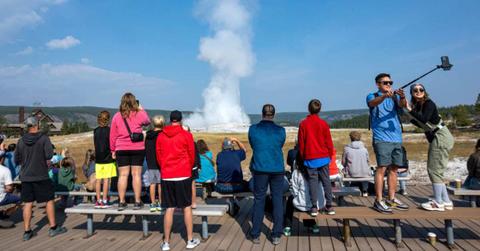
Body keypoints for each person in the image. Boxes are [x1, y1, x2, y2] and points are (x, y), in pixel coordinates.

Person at [14, 117, 67, 240]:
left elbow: (16, 159)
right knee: (49, 200)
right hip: (41, 175)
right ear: (37, 125)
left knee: (27, 203)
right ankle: (53, 228)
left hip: (26, 176)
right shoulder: (43, 138)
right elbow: (49, 155)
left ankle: (27, 231)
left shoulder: (21, 141)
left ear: (27, 126)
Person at [406, 83, 454, 211]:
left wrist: (409, 110)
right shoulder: (420, 105)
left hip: (440, 137)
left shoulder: (428, 103)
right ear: (411, 93)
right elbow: (421, 122)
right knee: (438, 171)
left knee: (433, 170)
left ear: (424, 91)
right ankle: (446, 201)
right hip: (441, 137)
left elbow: (424, 118)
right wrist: (405, 109)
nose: (418, 91)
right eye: (415, 90)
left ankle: (438, 202)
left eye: (421, 89)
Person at [156, 110, 200, 250]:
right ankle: (190, 240)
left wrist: (164, 167)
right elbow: (192, 156)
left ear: (170, 120)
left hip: (167, 175)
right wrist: (186, 167)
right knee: (187, 207)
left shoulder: (161, 136)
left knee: (169, 208)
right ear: (180, 120)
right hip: (183, 174)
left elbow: (159, 156)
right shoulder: (186, 135)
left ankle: (166, 243)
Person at [367, 73, 409, 213]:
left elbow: (403, 106)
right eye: (385, 83)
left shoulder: (395, 96)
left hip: (396, 138)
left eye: (390, 82)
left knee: (394, 169)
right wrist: (385, 96)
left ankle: (391, 199)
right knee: (382, 168)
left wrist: (402, 96)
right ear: (378, 84)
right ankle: (378, 200)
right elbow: (372, 103)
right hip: (381, 138)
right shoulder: (372, 95)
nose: (389, 85)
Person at [248, 104, 286, 246]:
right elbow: (280, 145)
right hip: (277, 168)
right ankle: (276, 234)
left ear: (262, 114)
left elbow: (253, 145)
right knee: (277, 200)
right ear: (274, 115)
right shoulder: (281, 131)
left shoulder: (253, 129)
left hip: (260, 168)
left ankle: (255, 234)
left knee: (259, 200)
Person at [110, 93, 151, 211]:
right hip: (137, 148)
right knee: (136, 175)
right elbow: (147, 121)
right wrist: (141, 108)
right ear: (134, 102)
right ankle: (137, 201)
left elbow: (113, 135)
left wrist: (113, 149)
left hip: (121, 148)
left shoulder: (117, 116)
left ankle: (122, 201)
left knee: (122, 175)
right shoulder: (138, 114)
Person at [298, 99, 335, 216]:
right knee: (326, 181)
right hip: (323, 157)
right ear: (320, 109)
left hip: (310, 158)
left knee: (312, 182)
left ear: (309, 109)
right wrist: (329, 155)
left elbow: (301, 143)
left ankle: (314, 207)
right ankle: (329, 205)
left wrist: (304, 156)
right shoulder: (323, 124)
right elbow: (329, 142)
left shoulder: (303, 124)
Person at [94, 111, 118, 209]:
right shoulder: (110, 130)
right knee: (107, 180)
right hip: (108, 157)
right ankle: (104, 200)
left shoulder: (95, 130)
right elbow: (112, 143)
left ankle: (98, 200)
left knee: (98, 180)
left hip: (98, 158)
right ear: (108, 119)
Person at [342, 131, 371, 196]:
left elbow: (343, 162)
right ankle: (365, 191)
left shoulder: (346, 149)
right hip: (364, 172)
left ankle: (348, 190)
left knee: (345, 171)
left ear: (351, 138)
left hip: (351, 172)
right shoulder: (364, 149)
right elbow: (368, 161)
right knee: (365, 171)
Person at [144, 115, 164, 212]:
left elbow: (146, 149)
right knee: (160, 184)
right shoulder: (163, 135)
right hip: (161, 163)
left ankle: (152, 203)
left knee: (152, 184)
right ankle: (160, 202)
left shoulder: (148, 136)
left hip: (151, 162)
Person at [0, 163, 21, 228]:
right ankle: (6, 214)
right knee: (21, 199)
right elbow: (9, 189)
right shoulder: (4, 170)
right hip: (1, 198)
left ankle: (2, 214)